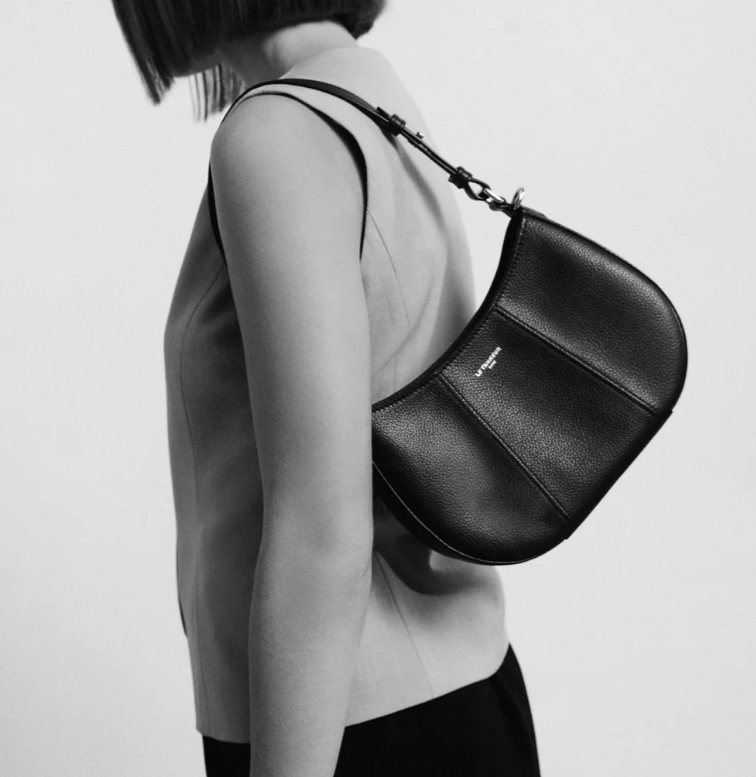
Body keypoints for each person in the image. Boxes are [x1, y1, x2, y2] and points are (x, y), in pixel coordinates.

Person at [111, 2, 541, 775]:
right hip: (448, 690)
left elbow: (322, 528)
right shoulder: (363, 88)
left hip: (348, 725)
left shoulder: (278, 134)